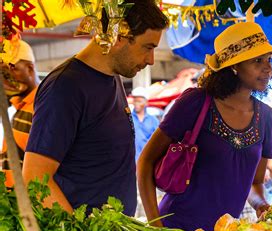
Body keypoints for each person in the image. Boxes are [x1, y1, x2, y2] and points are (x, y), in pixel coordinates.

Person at [22, 0, 169, 216]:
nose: (151, 60)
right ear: (118, 37)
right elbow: (35, 177)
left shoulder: (113, 77)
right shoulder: (65, 87)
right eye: (148, 47)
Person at [137, 22, 272, 231]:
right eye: (257, 60)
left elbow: (255, 183)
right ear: (234, 66)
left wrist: (262, 205)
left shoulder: (266, 117)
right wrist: (156, 227)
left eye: (268, 59)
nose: (268, 67)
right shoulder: (195, 102)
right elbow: (145, 162)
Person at [0, 39, 39, 187]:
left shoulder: (40, 108)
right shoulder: (21, 106)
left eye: (12, 69)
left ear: (30, 68)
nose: (6, 78)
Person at [130, 87, 159, 162]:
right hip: (131, 162)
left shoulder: (153, 120)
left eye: (139, 101)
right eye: (135, 101)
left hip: (147, 162)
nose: (136, 104)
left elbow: (158, 142)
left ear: (146, 102)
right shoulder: (128, 119)